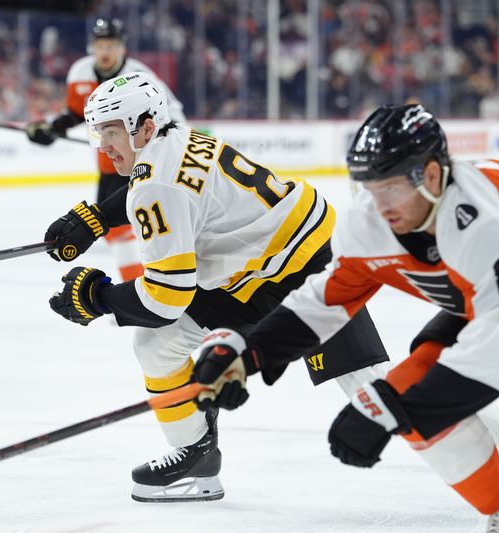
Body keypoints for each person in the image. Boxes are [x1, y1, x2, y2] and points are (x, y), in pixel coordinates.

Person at [46, 71, 392, 502]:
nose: (102, 145)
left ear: (146, 127)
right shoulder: (175, 138)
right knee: (156, 346)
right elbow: (154, 188)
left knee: (376, 395)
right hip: (258, 268)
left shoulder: (156, 183)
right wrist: (96, 218)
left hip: (303, 270)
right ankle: (196, 456)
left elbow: (165, 299)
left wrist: (95, 297)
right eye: (99, 132)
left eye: (111, 132)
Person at [190, 104, 499, 530]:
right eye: (368, 187)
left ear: (429, 176)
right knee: (410, 391)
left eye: (389, 189)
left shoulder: (484, 224)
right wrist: (252, 351)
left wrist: (390, 407)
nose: (377, 205)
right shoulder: (371, 221)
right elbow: (326, 301)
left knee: (407, 397)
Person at [26, 18, 185, 283]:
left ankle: (162, 286)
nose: (105, 51)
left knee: (153, 226)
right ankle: (137, 287)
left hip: (143, 163)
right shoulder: (79, 74)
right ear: (92, 47)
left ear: (122, 48)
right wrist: (53, 128)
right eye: (100, 45)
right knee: (114, 231)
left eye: (111, 45)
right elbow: (77, 112)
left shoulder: (140, 77)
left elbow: (173, 112)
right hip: (111, 165)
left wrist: (163, 146)